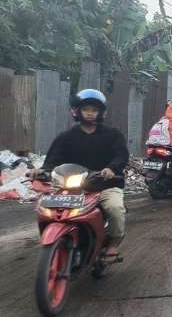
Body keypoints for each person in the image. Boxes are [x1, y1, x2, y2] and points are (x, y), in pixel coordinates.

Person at [39, 89, 129, 262]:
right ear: (77, 111)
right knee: (48, 209)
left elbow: (121, 155)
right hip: (73, 187)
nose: (89, 113)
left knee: (115, 209)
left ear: (100, 113)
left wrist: (111, 168)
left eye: (94, 110)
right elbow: (54, 158)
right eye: (86, 109)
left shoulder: (113, 135)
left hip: (105, 185)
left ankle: (113, 244)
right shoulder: (66, 137)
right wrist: (42, 170)